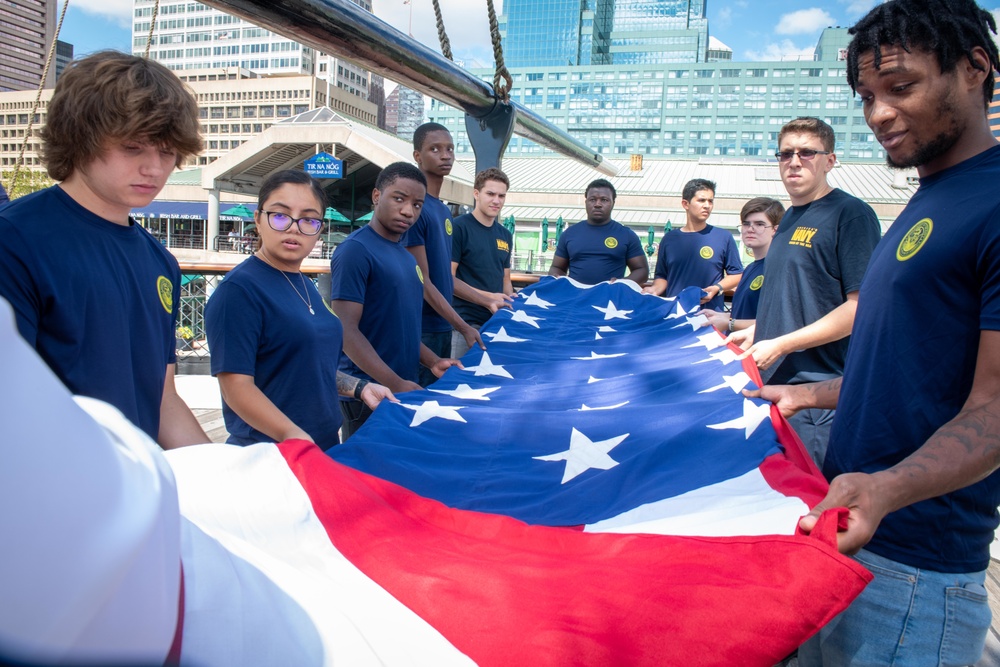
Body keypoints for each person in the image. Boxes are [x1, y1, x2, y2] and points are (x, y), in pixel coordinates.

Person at [752, 1, 1000, 663]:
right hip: (845, 541)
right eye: (866, 96)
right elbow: (905, 369)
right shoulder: (927, 198)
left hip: (916, 576)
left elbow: (996, 407)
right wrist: (804, 397)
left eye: (901, 86)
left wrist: (886, 488)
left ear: (974, 67)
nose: (878, 114)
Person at [0, 50, 207, 448]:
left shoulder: (160, 261)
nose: (154, 168)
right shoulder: (14, 241)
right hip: (50, 491)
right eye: (133, 147)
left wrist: (224, 486)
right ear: (81, 137)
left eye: (167, 152)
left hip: (139, 487)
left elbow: (162, 399)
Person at [205, 170, 395, 450]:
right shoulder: (239, 290)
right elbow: (236, 387)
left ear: (319, 229)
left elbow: (309, 366)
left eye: (308, 219)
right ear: (258, 220)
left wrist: (359, 387)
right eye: (280, 216)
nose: (294, 228)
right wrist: (293, 436)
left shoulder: (304, 284)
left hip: (321, 446)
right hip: (273, 454)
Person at [730, 117, 881, 466]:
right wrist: (758, 330)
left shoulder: (851, 215)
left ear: (830, 160)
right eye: (785, 154)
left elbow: (860, 309)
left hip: (814, 397)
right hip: (772, 387)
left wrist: (782, 343)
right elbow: (797, 298)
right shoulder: (788, 222)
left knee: (811, 503)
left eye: (807, 152)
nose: (794, 161)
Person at [331, 162, 463, 439]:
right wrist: (395, 382)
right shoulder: (355, 251)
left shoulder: (405, 256)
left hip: (400, 387)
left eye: (417, 205)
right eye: (399, 199)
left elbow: (399, 327)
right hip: (368, 395)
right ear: (377, 196)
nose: (408, 211)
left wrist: (432, 361)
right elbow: (346, 331)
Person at [404, 123, 482, 385]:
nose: (445, 155)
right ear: (418, 156)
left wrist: (488, 298)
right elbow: (422, 281)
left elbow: (445, 278)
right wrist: (463, 325)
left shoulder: (444, 211)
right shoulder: (417, 209)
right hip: (421, 329)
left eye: (450, 148)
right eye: (435, 149)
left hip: (443, 325)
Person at [643, 179, 743, 310]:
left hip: (709, 315)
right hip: (675, 313)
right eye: (701, 200)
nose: (707, 205)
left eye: (710, 201)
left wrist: (717, 288)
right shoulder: (669, 239)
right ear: (685, 204)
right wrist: (654, 289)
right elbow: (662, 276)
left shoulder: (723, 237)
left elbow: (737, 274)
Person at [450, 167, 516, 358]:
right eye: (491, 194)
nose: (496, 200)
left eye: (501, 196)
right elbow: (448, 278)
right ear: (476, 194)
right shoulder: (459, 227)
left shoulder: (505, 235)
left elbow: (506, 281)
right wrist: (490, 298)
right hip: (463, 324)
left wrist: (512, 302)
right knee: (458, 381)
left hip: (496, 324)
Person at [700, 197, 784, 332]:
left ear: (775, 229)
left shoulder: (780, 268)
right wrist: (721, 316)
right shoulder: (751, 268)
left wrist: (730, 323)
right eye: (746, 224)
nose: (750, 229)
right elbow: (747, 313)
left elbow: (779, 323)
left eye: (759, 224)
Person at [547, 179, 648, 285]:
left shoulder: (627, 235)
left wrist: (623, 283)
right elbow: (556, 267)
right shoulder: (569, 234)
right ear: (586, 202)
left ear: (613, 203)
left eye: (604, 200)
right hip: (576, 297)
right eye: (592, 199)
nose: (598, 204)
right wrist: (558, 280)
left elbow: (642, 271)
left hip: (610, 297)